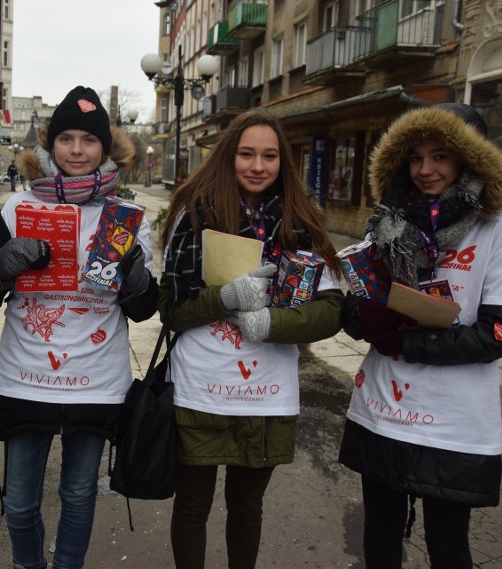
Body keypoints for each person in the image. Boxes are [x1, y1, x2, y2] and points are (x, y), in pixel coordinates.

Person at [338, 103, 502, 568]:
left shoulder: (499, 231)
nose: (426, 170)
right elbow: (356, 307)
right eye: (416, 157)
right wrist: (361, 316)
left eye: (440, 156)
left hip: (453, 422)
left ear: (470, 159)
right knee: (380, 538)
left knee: (447, 545)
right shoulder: (387, 224)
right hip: (383, 409)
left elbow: (499, 333)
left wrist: (407, 343)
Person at [159, 108, 345, 569]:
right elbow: (171, 311)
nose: (257, 166)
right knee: (192, 508)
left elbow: (332, 311)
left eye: (269, 155)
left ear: (283, 162)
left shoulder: (302, 219)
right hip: (201, 390)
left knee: (247, 508)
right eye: (246, 154)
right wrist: (225, 298)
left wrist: (271, 325)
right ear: (228, 156)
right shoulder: (193, 212)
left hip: (266, 394)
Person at [0, 86, 158, 569]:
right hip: (27, 375)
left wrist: (136, 280)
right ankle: (28, 564)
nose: (77, 150)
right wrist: (1, 266)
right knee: (19, 503)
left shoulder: (127, 217)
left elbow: (145, 310)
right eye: (66, 138)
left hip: (96, 380)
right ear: (49, 145)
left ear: (105, 148)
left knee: (79, 494)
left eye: (88, 139)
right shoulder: (17, 210)